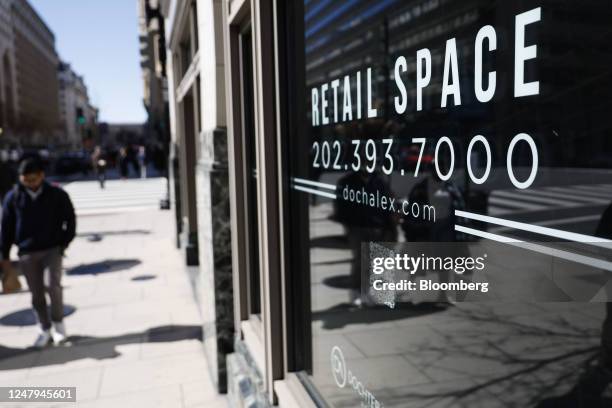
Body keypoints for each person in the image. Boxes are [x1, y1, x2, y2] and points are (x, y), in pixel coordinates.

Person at [0, 159, 76, 347]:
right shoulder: (13, 197)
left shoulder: (56, 194)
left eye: (33, 179)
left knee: (53, 286)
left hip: (52, 249)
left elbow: (70, 218)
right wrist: (5, 256)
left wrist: (63, 244)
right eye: (26, 179)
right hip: (26, 252)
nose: (30, 183)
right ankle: (44, 328)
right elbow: (6, 228)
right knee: (36, 293)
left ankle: (59, 325)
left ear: (42, 175)